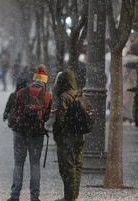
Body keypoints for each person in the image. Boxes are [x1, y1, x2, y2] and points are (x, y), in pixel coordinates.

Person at [7, 64, 52, 201]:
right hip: (36, 133)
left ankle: (15, 195)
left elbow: (15, 111)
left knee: (18, 163)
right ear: (45, 80)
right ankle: (34, 195)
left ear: (34, 79)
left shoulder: (22, 92)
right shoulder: (47, 96)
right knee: (34, 163)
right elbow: (45, 117)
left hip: (20, 131)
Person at [52, 69, 84, 201]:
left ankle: (69, 197)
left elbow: (61, 120)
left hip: (67, 137)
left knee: (67, 167)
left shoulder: (64, 97)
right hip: (80, 135)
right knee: (77, 165)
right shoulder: (80, 95)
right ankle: (74, 194)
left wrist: (57, 133)